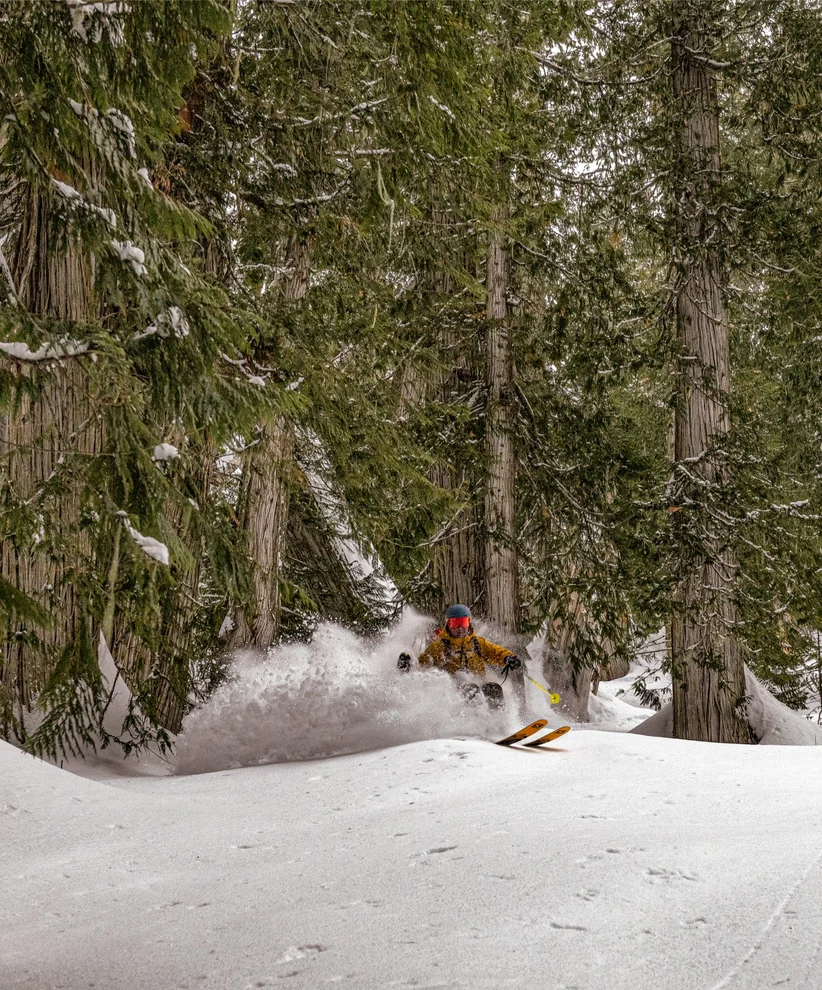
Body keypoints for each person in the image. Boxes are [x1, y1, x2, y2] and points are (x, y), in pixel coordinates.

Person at [397, 604, 522, 708]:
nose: (460, 628)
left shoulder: (477, 642)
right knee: (471, 690)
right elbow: (423, 665)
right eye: (455, 623)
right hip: (454, 691)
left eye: (463, 622)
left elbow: (495, 651)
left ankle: (500, 725)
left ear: (469, 623)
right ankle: (473, 726)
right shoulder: (439, 646)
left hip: (478, 682)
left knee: (493, 688)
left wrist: (508, 658)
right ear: (448, 624)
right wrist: (409, 665)